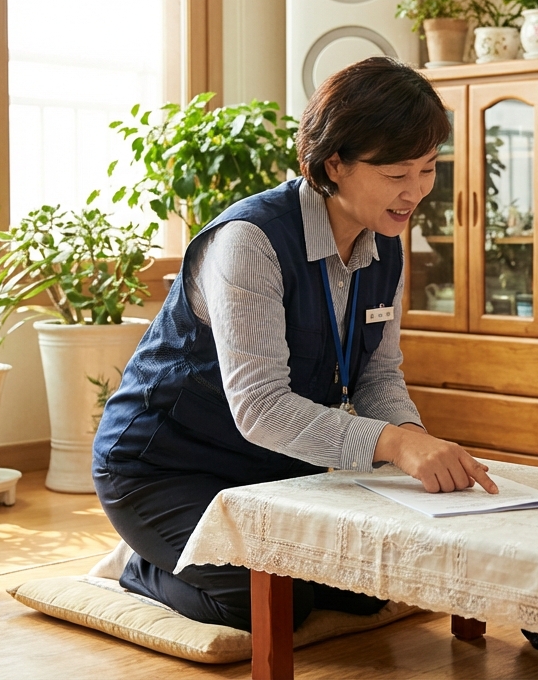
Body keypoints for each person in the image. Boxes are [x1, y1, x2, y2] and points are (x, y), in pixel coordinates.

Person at [92, 57, 498, 632]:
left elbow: (377, 377)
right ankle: (141, 566)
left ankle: (200, 558)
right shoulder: (250, 243)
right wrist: (395, 447)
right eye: (396, 173)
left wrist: (415, 442)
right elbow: (261, 408)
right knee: (269, 606)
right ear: (335, 162)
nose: (415, 192)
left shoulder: (387, 242)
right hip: (162, 465)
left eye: (429, 169)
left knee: (364, 589)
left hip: (266, 467)